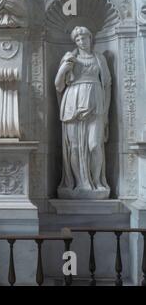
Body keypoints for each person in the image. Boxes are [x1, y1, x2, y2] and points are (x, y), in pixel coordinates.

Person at [55, 26, 112, 199]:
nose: (82, 42)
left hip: (95, 103)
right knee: (75, 147)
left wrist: (106, 113)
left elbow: (107, 84)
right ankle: (80, 183)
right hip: (72, 103)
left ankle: (96, 183)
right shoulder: (69, 58)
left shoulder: (99, 58)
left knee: (94, 144)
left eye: (84, 38)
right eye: (78, 39)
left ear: (90, 38)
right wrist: (64, 68)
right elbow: (58, 85)